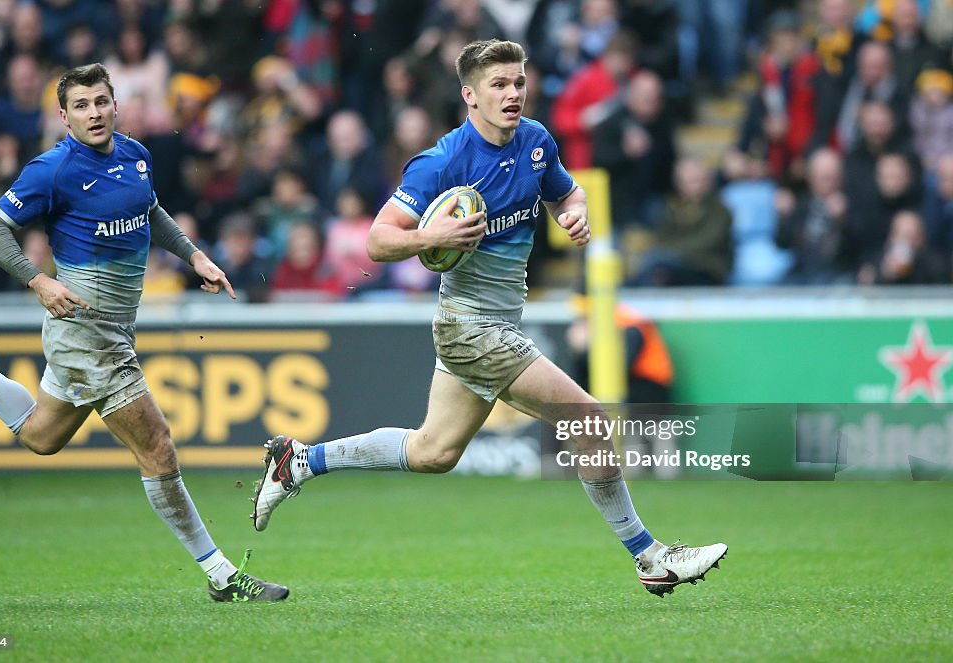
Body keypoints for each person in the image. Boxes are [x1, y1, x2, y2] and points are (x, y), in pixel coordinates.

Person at [252, 39, 727, 598]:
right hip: (467, 325)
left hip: (497, 323)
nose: (512, 94)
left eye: (519, 83)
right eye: (499, 85)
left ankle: (301, 460)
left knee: (434, 452)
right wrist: (433, 236)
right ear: (469, 95)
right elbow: (380, 240)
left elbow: (569, 196)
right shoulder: (443, 161)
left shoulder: (536, 142)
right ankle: (651, 556)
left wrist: (574, 218)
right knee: (589, 420)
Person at [0, 63, 286, 603]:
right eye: (81, 105)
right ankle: (221, 576)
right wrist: (38, 281)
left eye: (101, 101)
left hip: (114, 327)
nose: (93, 113)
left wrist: (195, 257)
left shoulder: (136, 155)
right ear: (64, 115)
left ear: (115, 104)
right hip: (86, 330)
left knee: (41, 437)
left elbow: (151, 212)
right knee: (158, 446)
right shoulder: (52, 170)